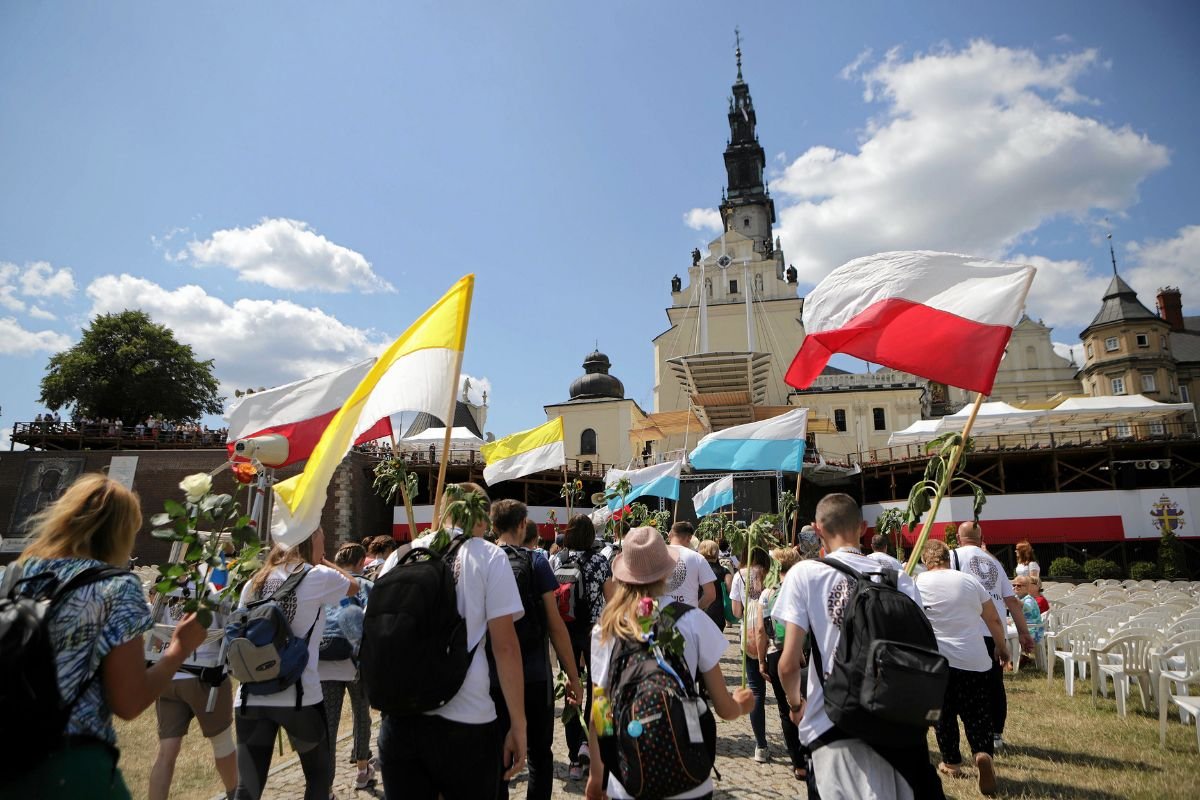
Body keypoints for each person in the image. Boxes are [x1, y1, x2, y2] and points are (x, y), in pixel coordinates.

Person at [5, 474, 207, 799]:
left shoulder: (11, 576)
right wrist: (179, 649)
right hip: (71, 766)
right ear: (122, 532)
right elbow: (128, 702)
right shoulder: (115, 588)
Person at [774, 493, 938, 800]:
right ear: (863, 528)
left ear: (817, 529)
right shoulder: (896, 576)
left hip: (832, 723)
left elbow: (788, 663)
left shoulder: (806, 574)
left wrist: (796, 706)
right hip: (897, 725)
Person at [376, 483, 527, 800]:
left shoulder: (399, 557)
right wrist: (518, 723)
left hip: (401, 720)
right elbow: (505, 647)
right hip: (467, 720)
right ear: (481, 517)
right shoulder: (489, 557)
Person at [585, 527, 755, 800]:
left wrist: (598, 771)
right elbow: (723, 708)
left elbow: (601, 706)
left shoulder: (607, 628)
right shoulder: (693, 620)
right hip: (688, 772)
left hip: (629, 776)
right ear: (666, 573)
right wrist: (742, 705)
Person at [233, 527, 358, 800]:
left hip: (251, 694)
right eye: (322, 539)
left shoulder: (254, 581)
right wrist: (323, 561)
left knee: (248, 786)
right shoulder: (317, 576)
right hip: (298, 695)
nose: (325, 545)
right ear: (310, 540)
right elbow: (353, 585)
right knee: (317, 777)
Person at [491, 500, 583, 800]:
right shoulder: (536, 561)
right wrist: (572, 675)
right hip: (534, 673)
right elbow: (555, 624)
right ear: (522, 525)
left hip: (492, 677)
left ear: (494, 527)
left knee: (496, 758)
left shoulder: (484, 561)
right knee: (540, 755)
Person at [915, 540, 1010, 796]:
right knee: (978, 712)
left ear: (926, 561)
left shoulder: (917, 584)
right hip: (975, 659)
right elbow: (993, 619)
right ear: (948, 558)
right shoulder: (969, 582)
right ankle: (982, 753)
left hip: (938, 662)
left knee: (943, 715)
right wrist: (1002, 648)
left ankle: (951, 762)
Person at [149, 569, 238, 800]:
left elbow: (156, 635)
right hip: (203, 674)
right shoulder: (215, 584)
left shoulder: (168, 588)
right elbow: (227, 627)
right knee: (222, 745)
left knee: (166, 753)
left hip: (170, 675)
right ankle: (236, 796)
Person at [951, 522, 1035, 751]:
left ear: (958, 538)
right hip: (994, 632)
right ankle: (996, 733)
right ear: (982, 538)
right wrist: (1024, 633)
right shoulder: (995, 562)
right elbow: (1012, 602)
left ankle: (967, 736)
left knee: (961, 686)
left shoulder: (952, 557)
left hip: (966, 630)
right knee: (994, 684)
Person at [551, 514, 614, 781]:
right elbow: (611, 600)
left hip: (566, 632)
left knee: (571, 692)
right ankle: (596, 747)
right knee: (599, 691)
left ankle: (574, 758)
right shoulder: (601, 561)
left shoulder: (557, 560)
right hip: (595, 632)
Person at [318, 543, 375, 791]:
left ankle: (326, 784)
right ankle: (363, 770)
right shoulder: (366, 585)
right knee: (362, 715)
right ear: (362, 562)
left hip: (325, 657)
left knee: (328, 725)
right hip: (355, 660)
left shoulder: (323, 583)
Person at [756, 546, 808, 782]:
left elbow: (759, 631)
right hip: (803, 654)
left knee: (785, 709)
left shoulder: (767, 594)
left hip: (776, 653)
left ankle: (798, 764)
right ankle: (812, 755)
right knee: (810, 705)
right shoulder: (802, 590)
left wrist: (761, 661)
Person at [730, 545, 774, 763]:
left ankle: (761, 746)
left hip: (748, 631)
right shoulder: (770, 573)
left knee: (756, 690)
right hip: (773, 629)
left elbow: (736, 611)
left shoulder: (739, 575)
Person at [664, 521, 717, 609]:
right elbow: (710, 595)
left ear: (670, 535)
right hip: (688, 617)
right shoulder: (698, 558)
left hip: (661, 616)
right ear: (690, 538)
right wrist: (695, 610)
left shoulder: (655, 555)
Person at [696, 539, 731, 631]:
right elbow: (730, 591)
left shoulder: (695, 570)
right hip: (718, 614)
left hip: (698, 612)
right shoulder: (724, 571)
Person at [1012, 576, 1044, 645]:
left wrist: (1012, 599)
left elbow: (1027, 608)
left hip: (1033, 631)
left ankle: (1014, 655)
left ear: (1027, 588)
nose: (1015, 587)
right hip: (1024, 628)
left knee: (1009, 636)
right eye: (1014, 585)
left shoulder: (1029, 599)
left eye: (1019, 585)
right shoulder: (1017, 597)